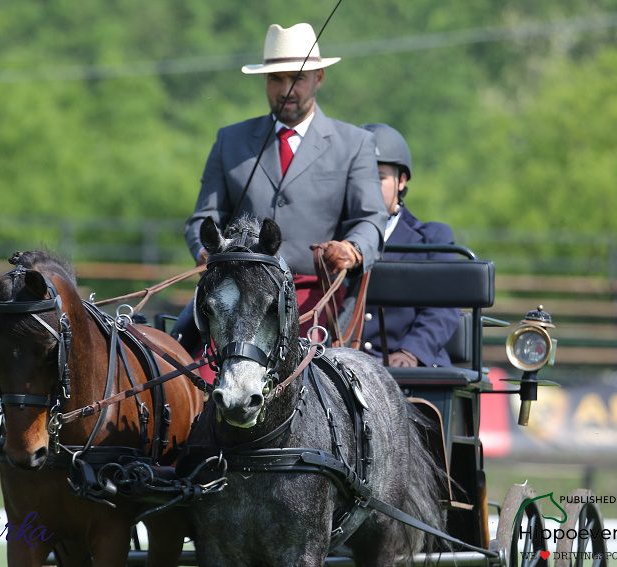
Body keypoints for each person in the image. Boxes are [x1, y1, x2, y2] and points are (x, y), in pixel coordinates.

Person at [176, 22, 387, 350]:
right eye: (276, 78)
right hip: (236, 296)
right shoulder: (230, 141)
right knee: (177, 354)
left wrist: (353, 249)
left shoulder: (354, 144)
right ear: (265, 80)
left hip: (317, 302)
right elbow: (203, 218)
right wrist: (205, 251)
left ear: (318, 78)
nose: (286, 89)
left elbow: (372, 219)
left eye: (297, 78)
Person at [359, 123, 460, 367]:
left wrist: (410, 352)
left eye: (380, 177)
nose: (369, 186)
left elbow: (442, 310)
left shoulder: (432, 239)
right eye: (361, 176)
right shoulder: (331, 238)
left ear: (401, 180)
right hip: (341, 367)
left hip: (408, 369)